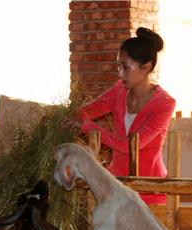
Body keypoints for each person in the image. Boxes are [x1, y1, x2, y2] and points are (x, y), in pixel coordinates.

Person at [71, 27, 176, 205]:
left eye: (126, 67)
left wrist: (89, 127)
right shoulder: (119, 90)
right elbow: (87, 111)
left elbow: (131, 146)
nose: (120, 74)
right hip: (117, 185)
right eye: (118, 66)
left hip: (148, 190)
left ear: (146, 66)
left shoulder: (164, 104)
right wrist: (65, 118)